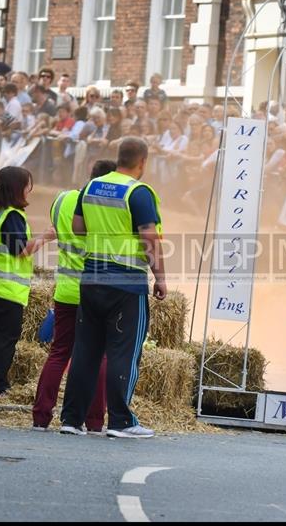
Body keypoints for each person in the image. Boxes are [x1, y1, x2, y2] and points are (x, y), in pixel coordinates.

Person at [60, 137, 166, 438]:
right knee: (123, 351)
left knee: (85, 352)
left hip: (91, 279)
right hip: (126, 284)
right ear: (142, 161)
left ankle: (71, 419)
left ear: (118, 156)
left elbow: (79, 227)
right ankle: (121, 422)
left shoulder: (91, 187)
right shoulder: (139, 192)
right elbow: (149, 239)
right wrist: (161, 277)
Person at [32, 160, 116, 432]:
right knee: (99, 356)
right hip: (94, 291)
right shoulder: (104, 210)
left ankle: (41, 417)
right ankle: (93, 421)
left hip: (66, 290)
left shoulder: (62, 200)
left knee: (59, 353)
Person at [0, 166, 54, 399]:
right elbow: (21, 251)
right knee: (6, 338)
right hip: (4, 289)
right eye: (28, 186)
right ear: (18, 189)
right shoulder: (13, 215)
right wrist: (46, 237)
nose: (30, 191)